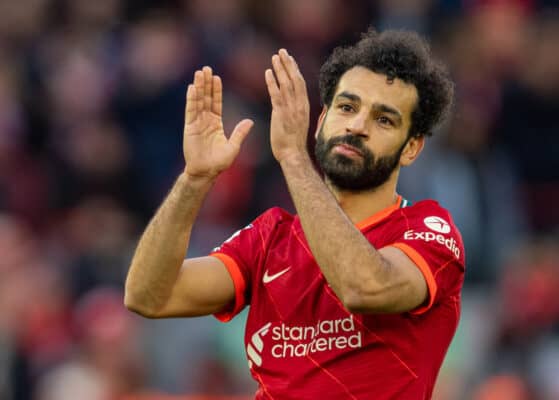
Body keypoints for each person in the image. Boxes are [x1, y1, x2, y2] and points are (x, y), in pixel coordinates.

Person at [125, 29, 464, 399]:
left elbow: (363, 286)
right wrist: (194, 179)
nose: (357, 126)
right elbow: (149, 296)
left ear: (411, 148)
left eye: (384, 120)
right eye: (347, 107)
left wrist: (293, 156)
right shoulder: (271, 237)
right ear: (320, 122)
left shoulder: (428, 229)